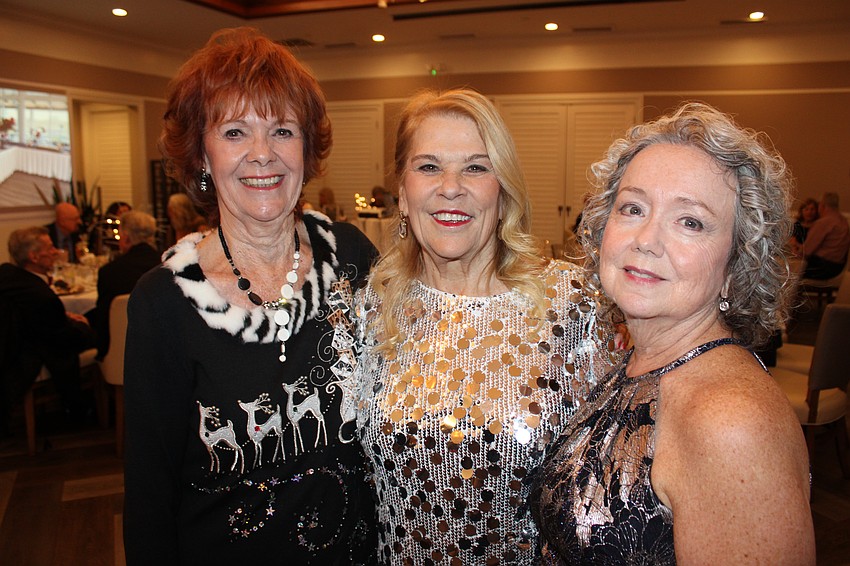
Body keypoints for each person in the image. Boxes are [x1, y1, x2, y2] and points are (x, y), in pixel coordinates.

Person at [122, 27, 378, 564]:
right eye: (235, 132)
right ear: (202, 155)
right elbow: (149, 492)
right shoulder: (164, 302)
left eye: (282, 130)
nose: (263, 155)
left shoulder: (351, 257)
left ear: (306, 149)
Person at [531, 102, 815, 564]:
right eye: (633, 208)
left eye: (690, 222)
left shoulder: (731, 421)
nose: (646, 239)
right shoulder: (642, 362)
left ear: (735, 266)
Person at [352, 88, 619, 565]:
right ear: (403, 194)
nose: (450, 187)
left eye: (476, 167)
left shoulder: (571, 304)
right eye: (428, 166)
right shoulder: (374, 307)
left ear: (503, 191)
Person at [0, 227, 96, 426]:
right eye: (50, 248)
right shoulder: (41, 296)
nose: (55, 252)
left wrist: (62, 316)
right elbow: (64, 338)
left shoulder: (7, 274)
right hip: (22, 357)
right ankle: (82, 408)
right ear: (34, 256)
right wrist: (84, 326)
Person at [89, 210, 160, 360]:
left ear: (126, 238)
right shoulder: (168, 265)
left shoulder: (109, 272)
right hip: (163, 350)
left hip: (120, 352)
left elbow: (103, 320)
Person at [800, 191, 850, 280]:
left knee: (785, 265)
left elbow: (806, 251)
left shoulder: (824, 223)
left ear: (822, 206)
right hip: (838, 267)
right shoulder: (843, 221)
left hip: (822, 267)